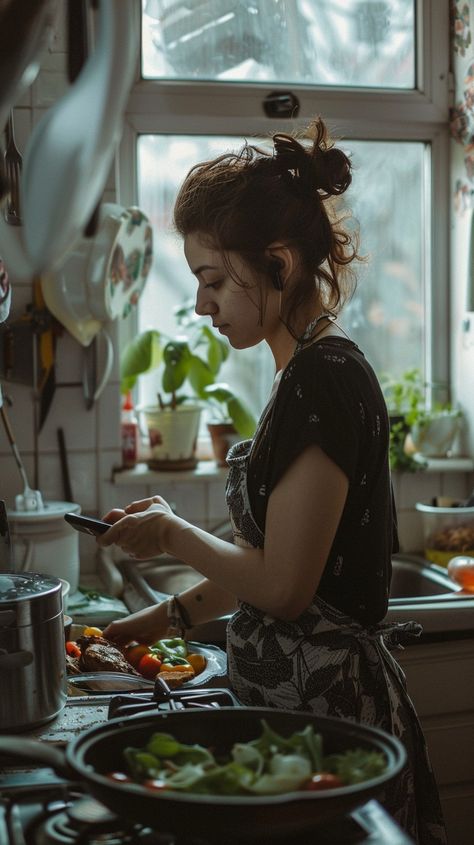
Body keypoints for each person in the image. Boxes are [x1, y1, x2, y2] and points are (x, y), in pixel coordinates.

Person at [100, 117, 447, 844]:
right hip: (297, 718)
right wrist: (159, 621)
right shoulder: (301, 371)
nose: (202, 305)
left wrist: (171, 531)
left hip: (328, 730)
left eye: (215, 280)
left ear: (280, 265)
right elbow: (264, 564)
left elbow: (286, 586)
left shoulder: (324, 377)